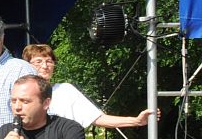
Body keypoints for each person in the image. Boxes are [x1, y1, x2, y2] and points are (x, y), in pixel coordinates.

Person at [22, 44, 155, 130]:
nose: (45, 66)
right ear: (27, 65)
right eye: (38, 61)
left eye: (49, 61)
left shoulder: (66, 91)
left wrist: (136, 121)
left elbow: (98, 118)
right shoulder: (18, 94)